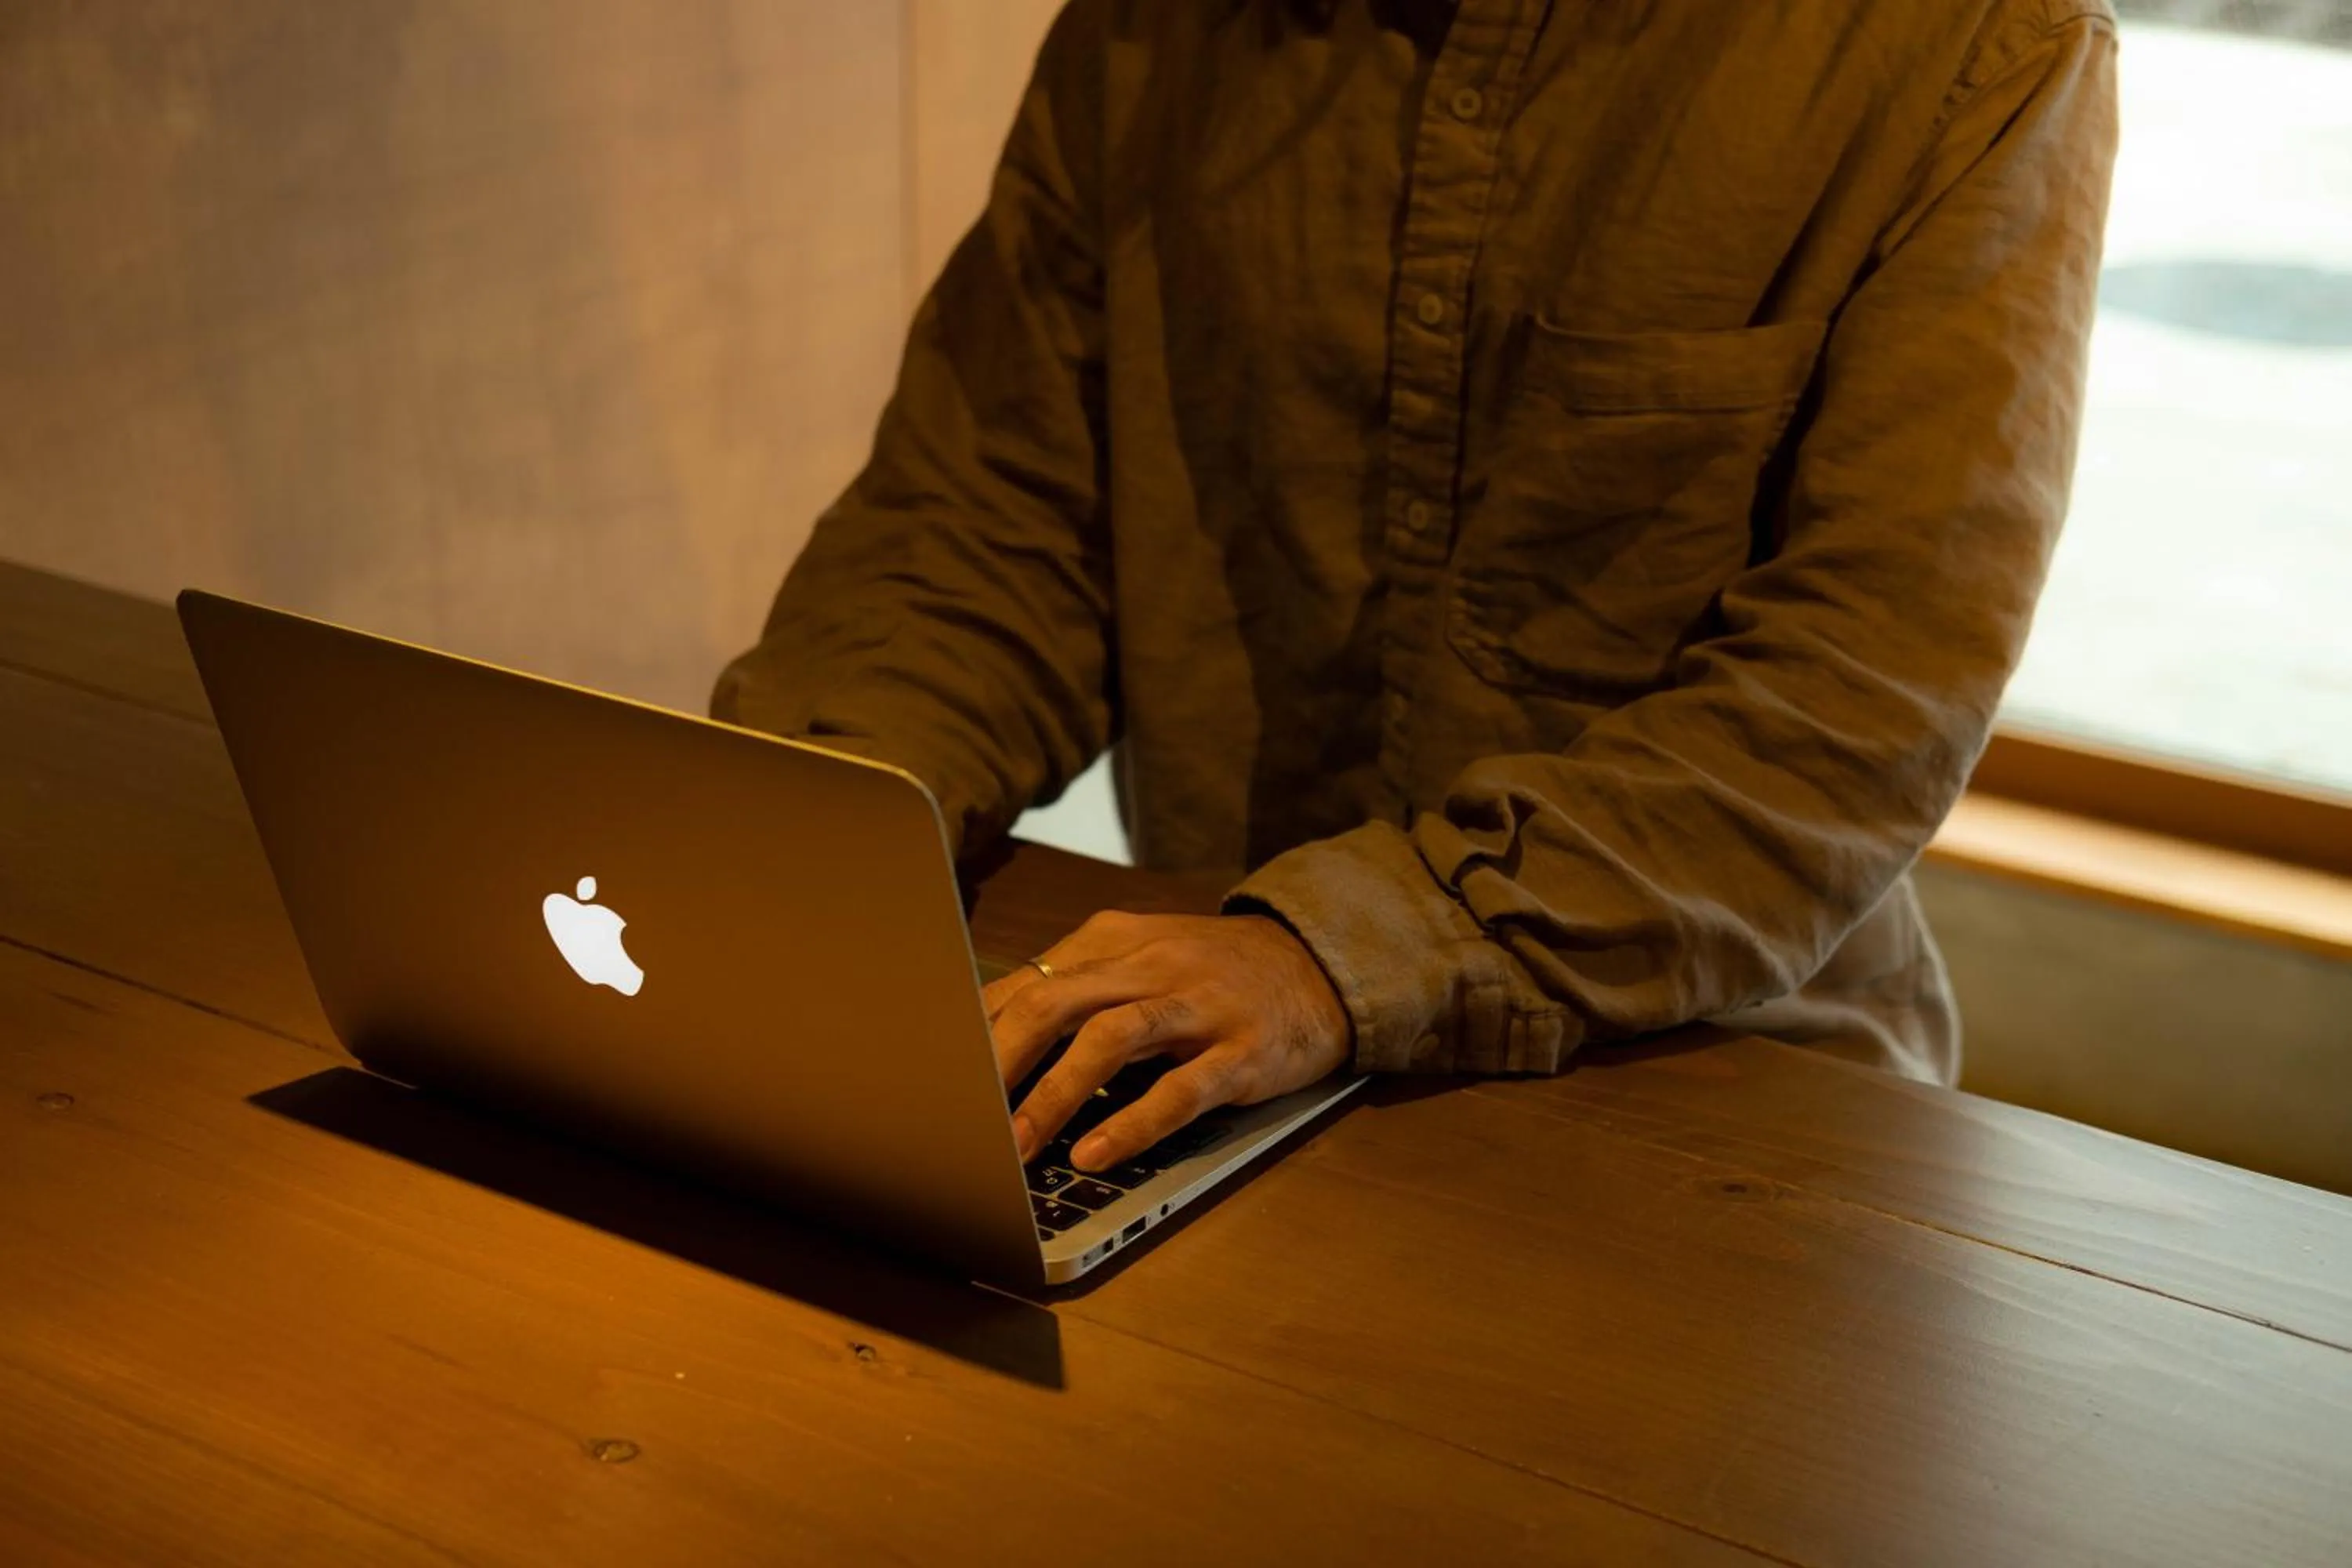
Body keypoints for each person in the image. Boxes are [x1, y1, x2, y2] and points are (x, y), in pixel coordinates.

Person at [713, 0, 2119, 1177]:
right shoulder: (1167, 30)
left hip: (1726, 1087)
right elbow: (994, 518)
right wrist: (821, 814)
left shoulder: (1965, 41)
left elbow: (1859, 698)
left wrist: (1341, 955)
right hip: (1214, 1061)